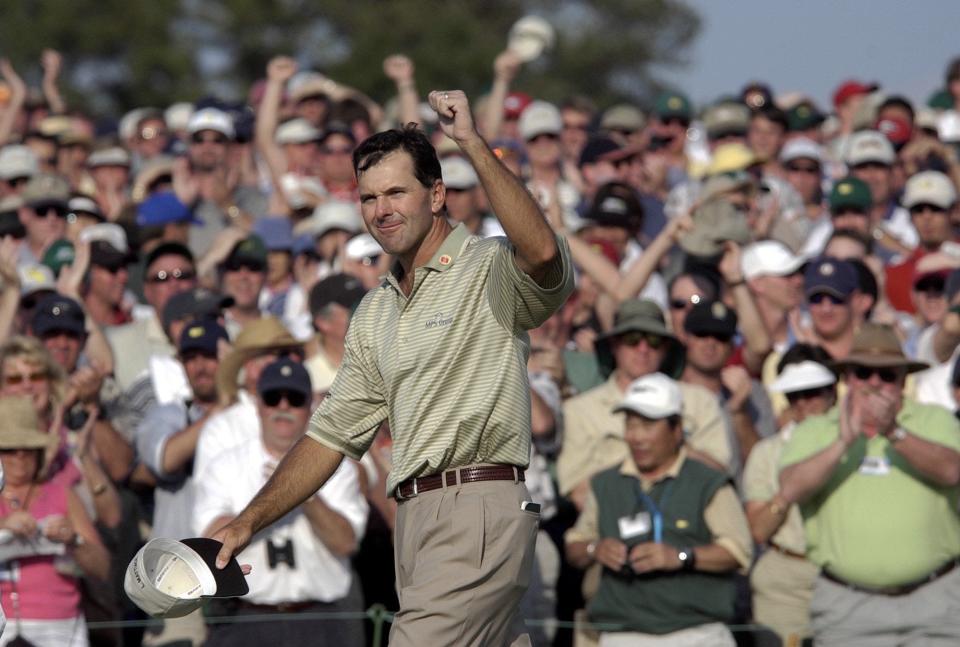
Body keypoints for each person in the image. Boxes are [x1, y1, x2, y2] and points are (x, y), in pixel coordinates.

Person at [211, 89, 574, 646]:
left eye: (397, 192)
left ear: (436, 195)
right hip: (417, 519)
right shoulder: (376, 308)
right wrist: (246, 521)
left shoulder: (486, 266)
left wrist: (472, 143)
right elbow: (329, 437)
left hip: (477, 504)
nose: (381, 210)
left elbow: (544, 255)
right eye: (369, 197)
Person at [779, 323, 960, 646]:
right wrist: (842, 443)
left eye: (887, 375)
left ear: (903, 381)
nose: (874, 384)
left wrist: (894, 432)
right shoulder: (816, 430)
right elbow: (790, 489)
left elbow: (952, 471)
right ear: (848, 378)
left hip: (935, 601)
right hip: (849, 607)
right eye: (863, 373)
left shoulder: (935, 421)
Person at [564, 373, 752, 646]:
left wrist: (680, 556)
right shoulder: (605, 483)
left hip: (698, 634)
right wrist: (596, 549)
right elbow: (575, 545)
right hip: (622, 635)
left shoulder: (709, 482)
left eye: (648, 424)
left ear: (677, 430)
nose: (636, 436)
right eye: (630, 424)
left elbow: (739, 551)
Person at [195, 358, 368, 647]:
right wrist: (266, 504)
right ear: (258, 405)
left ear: (310, 408)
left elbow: (345, 543)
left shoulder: (340, 468)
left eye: (295, 399)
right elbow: (209, 541)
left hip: (321, 620)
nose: (283, 407)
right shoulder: (226, 465)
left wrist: (302, 490)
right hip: (247, 619)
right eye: (273, 398)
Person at [558, 299, 735, 509]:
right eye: (632, 339)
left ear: (666, 348)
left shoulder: (699, 401)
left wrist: (672, 444)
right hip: (613, 525)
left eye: (653, 340)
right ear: (614, 345)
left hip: (688, 519)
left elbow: (719, 474)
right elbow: (578, 493)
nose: (643, 349)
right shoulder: (580, 410)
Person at [0, 395, 109, 647]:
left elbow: (102, 568)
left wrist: (74, 539)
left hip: (60, 628)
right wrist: (4, 526)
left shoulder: (61, 492)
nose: (19, 457)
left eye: (27, 449)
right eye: (8, 449)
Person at [743, 349, 836, 644]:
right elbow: (758, 530)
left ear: (832, 392)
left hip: (844, 574)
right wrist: (787, 493)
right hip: (785, 578)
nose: (804, 404)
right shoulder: (767, 453)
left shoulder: (856, 445)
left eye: (813, 393)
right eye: (795, 394)